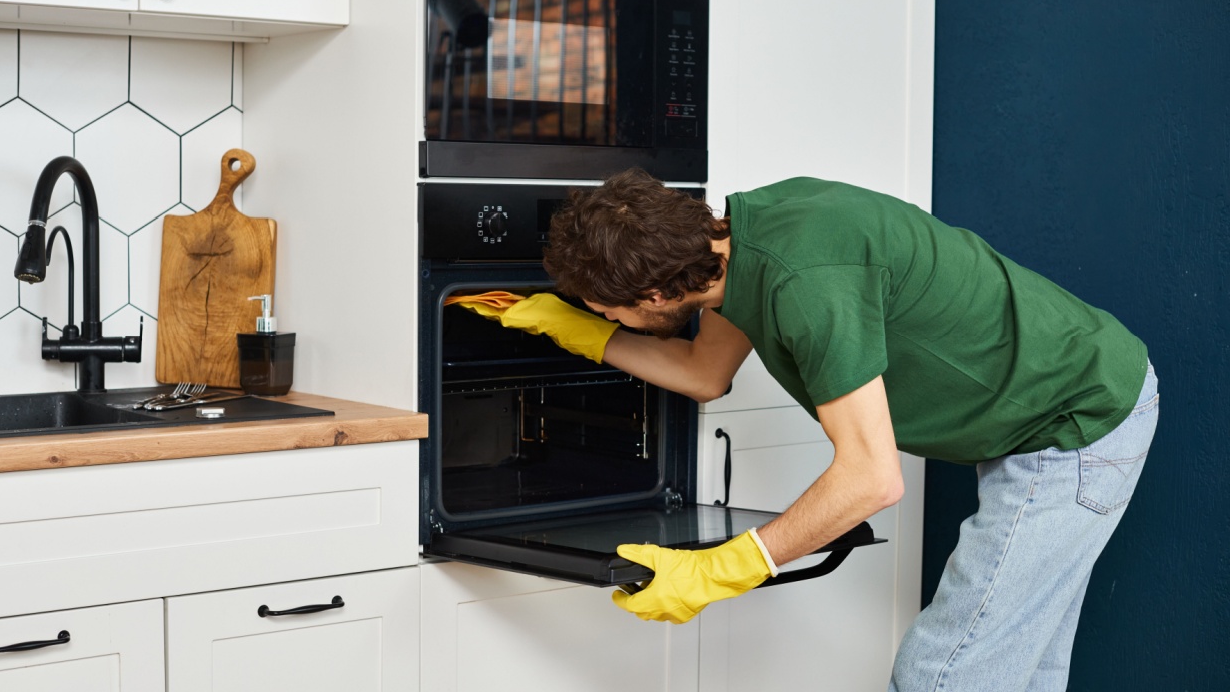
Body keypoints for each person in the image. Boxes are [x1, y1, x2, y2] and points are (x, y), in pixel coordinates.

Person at [467, 167, 1157, 692]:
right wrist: (576, 333)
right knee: (1012, 671)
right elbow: (706, 371)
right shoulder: (736, 245)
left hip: (1072, 424)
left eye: (608, 311)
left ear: (655, 293)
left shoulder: (804, 283)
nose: (608, 320)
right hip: (1040, 405)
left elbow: (870, 477)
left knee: (941, 676)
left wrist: (719, 569)